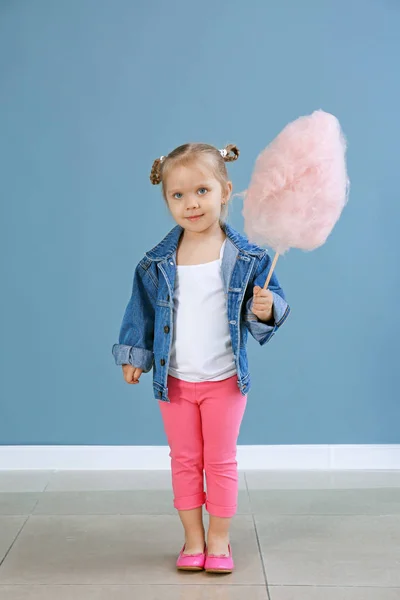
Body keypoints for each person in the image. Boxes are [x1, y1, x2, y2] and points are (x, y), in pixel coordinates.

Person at [112, 143, 290, 573]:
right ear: (167, 199)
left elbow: (270, 306)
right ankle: (193, 540)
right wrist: (135, 353)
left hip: (225, 381)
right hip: (174, 382)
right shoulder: (155, 263)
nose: (191, 203)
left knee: (221, 460)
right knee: (185, 460)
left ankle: (220, 540)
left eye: (202, 191)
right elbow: (142, 310)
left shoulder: (249, 259)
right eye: (178, 195)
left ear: (225, 191)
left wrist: (266, 309)